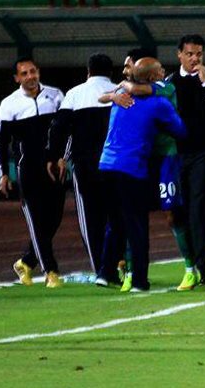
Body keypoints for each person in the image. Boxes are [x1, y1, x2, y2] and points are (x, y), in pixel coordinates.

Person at [98, 57, 186, 292]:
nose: (163, 72)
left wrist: (114, 95)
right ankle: (139, 280)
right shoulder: (159, 103)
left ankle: (105, 272)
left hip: (106, 166)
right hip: (131, 168)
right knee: (137, 225)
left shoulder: (120, 98)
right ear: (151, 78)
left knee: (116, 221)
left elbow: (105, 96)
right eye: (159, 70)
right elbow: (180, 130)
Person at [0, 56, 66, 288]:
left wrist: (64, 156)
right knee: (36, 221)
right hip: (27, 170)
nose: (30, 77)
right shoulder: (9, 104)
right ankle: (51, 272)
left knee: (53, 220)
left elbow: (66, 130)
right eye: (24, 74)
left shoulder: (56, 96)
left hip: (54, 167)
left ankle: (25, 262)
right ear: (17, 78)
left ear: (39, 72)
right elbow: (0, 142)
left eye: (32, 72)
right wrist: (3, 173)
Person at [46, 53, 117, 276]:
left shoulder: (75, 94)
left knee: (91, 219)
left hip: (85, 166)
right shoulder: (120, 91)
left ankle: (101, 270)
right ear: (111, 73)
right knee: (117, 216)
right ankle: (122, 265)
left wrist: (54, 156)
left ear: (88, 72)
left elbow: (58, 128)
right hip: (116, 164)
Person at [170, 34, 205, 285]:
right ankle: (189, 263)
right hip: (177, 154)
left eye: (198, 54)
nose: (194, 58)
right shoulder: (169, 84)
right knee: (179, 210)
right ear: (179, 55)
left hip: (203, 153)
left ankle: (201, 268)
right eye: (189, 54)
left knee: (198, 209)